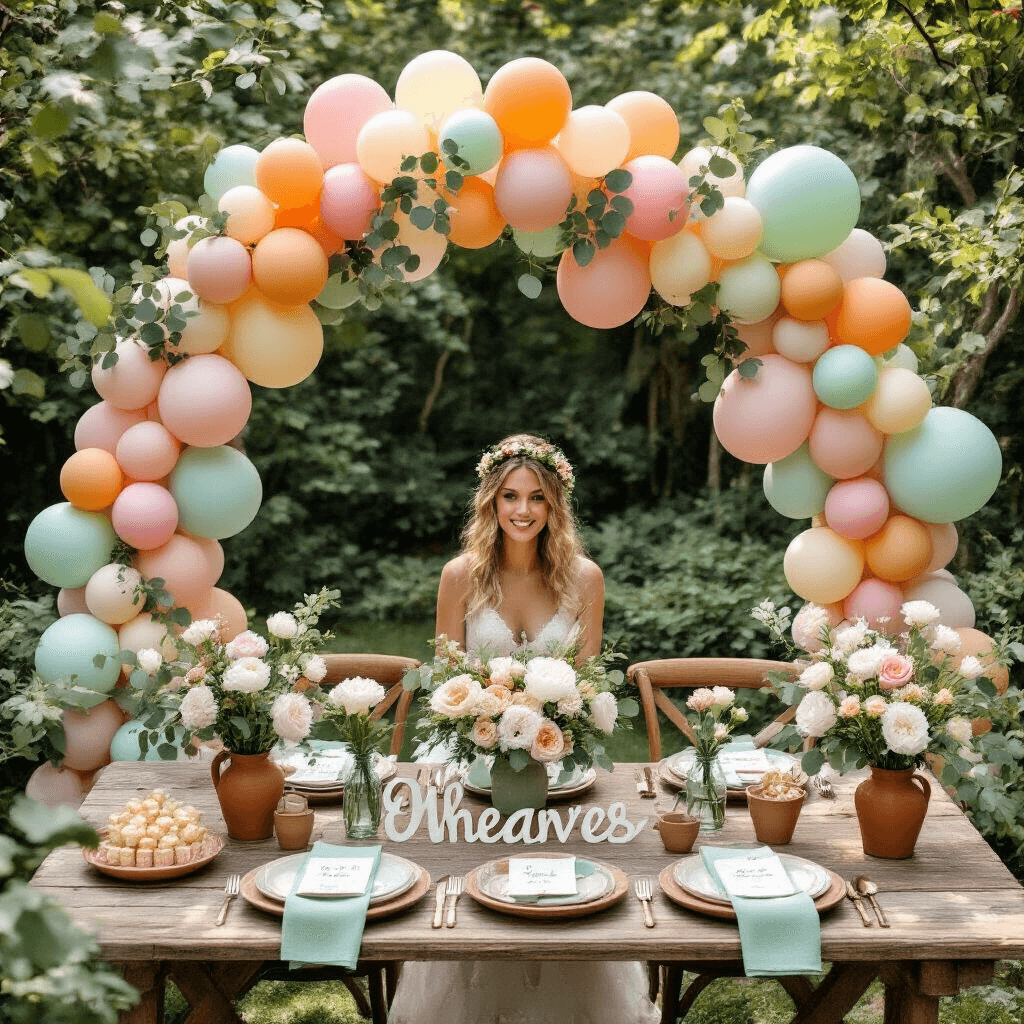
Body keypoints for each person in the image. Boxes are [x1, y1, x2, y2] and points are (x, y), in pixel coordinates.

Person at [388, 434, 659, 1024]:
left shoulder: (584, 578)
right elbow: (445, 680)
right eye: (510, 496)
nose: (522, 510)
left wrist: (554, 719)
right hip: (472, 747)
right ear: (490, 502)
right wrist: (482, 716)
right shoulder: (459, 576)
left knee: (560, 873)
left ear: (554, 506)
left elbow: (588, 686)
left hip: (556, 753)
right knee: (466, 858)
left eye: (537, 498)